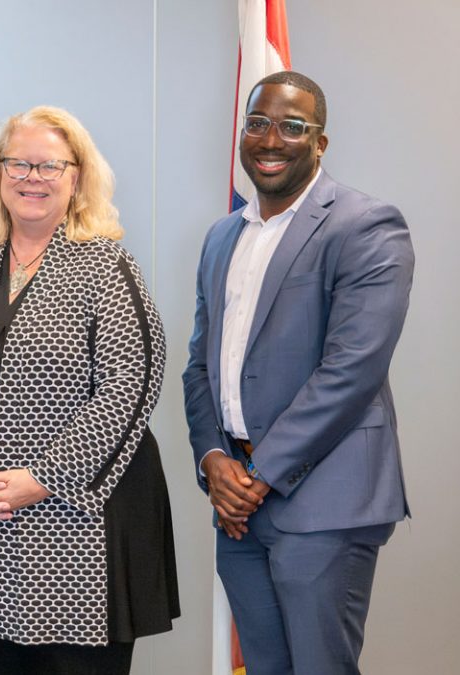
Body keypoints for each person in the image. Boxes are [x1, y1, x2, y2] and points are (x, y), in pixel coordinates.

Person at [0, 106, 178, 675]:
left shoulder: (105, 264)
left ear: (77, 177)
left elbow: (131, 384)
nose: (32, 177)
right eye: (18, 163)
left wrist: (44, 480)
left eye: (50, 165)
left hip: (77, 531)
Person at [183, 71, 414, 675]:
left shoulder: (364, 225)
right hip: (236, 502)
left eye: (292, 127)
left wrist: (259, 474)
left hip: (324, 503)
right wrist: (213, 459)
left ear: (320, 142)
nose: (270, 139)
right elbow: (200, 364)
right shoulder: (221, 237)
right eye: (257, 123)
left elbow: (351, 371)